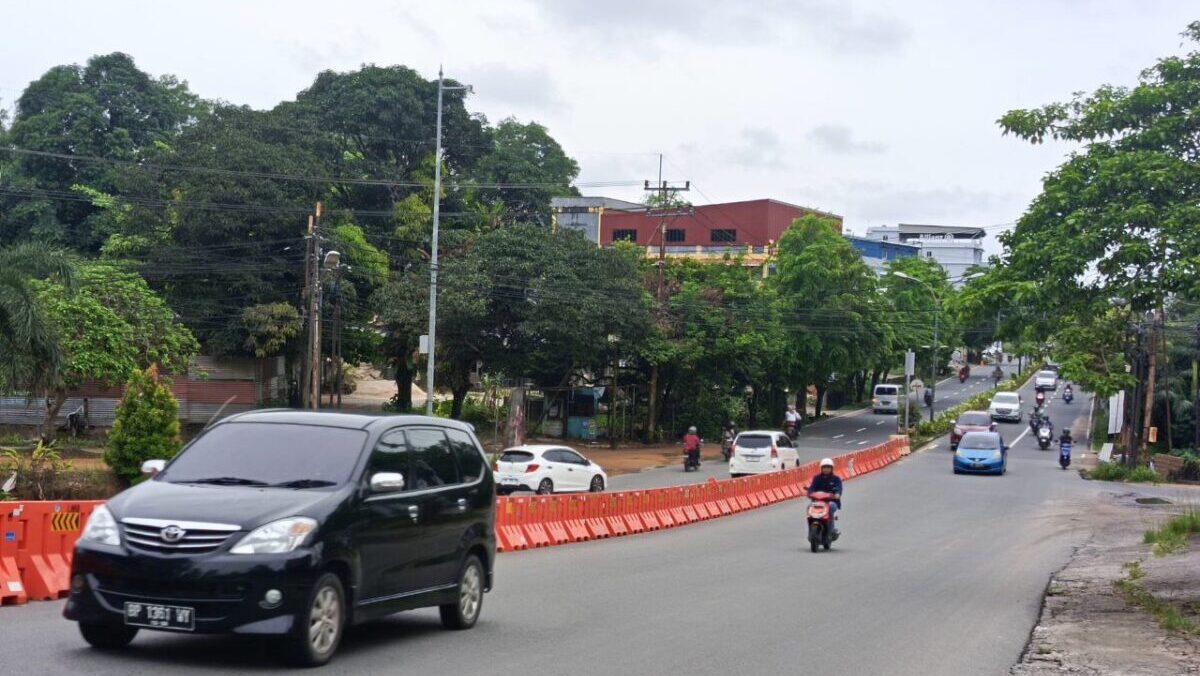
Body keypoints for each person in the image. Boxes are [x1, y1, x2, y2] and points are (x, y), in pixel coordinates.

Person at [808, 458, 843, 534]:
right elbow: (812, 488)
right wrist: (809, 493)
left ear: (831, 468)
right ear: (821, 468)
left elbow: (839, 489)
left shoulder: (836, 479)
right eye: (824, 467)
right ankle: (810, 531)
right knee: (809, 507)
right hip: (817, 501)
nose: (826, 469)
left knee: (830, 507)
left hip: (831, 501)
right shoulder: (816, 478)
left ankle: (831, 530)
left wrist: (837, 494)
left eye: (828, 467)